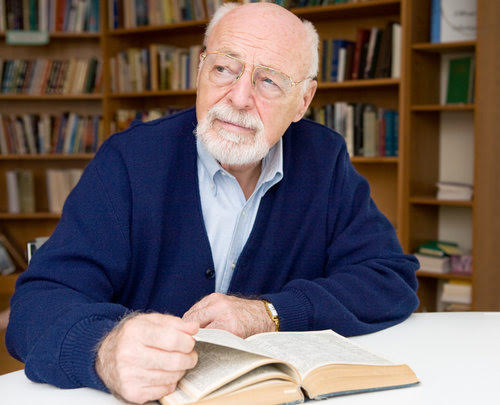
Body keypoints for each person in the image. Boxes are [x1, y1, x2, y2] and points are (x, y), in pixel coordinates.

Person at [6, 3, 419, 404]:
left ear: (303, 101)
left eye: (269, 81)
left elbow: (388, 279)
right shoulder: (130, 160)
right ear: (200, 68)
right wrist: (104, 351)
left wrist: (269, 313)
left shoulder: (323, 159)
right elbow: (36, 307)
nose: (238, 98)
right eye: (224, 68)